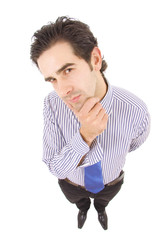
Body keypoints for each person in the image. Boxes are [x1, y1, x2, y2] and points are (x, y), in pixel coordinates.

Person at [30, 16, 150, 230]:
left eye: (67, 70)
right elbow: (55, 166)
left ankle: (101, 210)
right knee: (78, 200)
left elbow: (135, 143)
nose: (62, 90)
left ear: (94, 59)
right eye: (52, 79)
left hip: (110, 183)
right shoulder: (52, 104)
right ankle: (83, 209)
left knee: (103, 200)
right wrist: (85, 136)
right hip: (72, 184)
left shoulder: (135, 109)